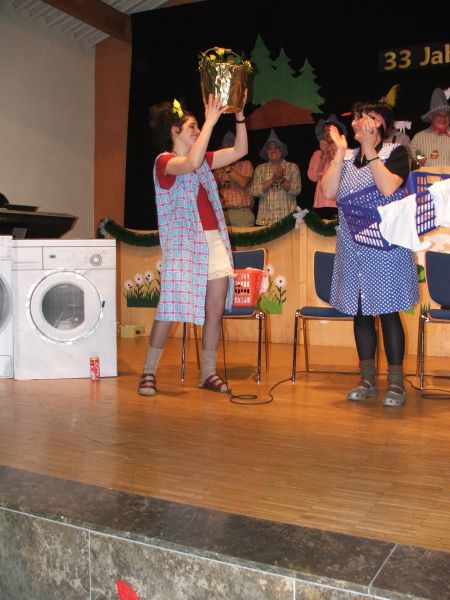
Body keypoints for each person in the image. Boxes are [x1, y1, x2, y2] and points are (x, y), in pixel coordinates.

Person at [138, 93, 248, 397]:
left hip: (213, 242)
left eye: (199, 126)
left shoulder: (201, 161)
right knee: (169, 308)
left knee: (215, 310)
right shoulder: (165, 162)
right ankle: (148, 372)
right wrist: (211, 121)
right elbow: (190, 161)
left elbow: (240, 150)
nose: (198, 131)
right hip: (184, 247)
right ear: (175, 131)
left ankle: (208, 373)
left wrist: (239, 114)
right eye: (192, 127)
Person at [320, 101, 418, 407]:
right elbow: (327, 191)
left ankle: (396, 383)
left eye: (368, 118)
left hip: (385, 249)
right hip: (352, 249)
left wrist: (369, 150)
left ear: (381, 126)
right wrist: (340, 152)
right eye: (358, 117)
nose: (360, 122)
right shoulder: (346, 157)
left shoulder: (395, 153)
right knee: (361, 312)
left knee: (388, 312)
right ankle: (366, 379)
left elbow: (388, 188)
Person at [252, 129, 301, 225]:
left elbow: (297, 190)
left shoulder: (292, 167)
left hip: (288, 219)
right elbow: (255, 191)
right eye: (270, 148)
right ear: (266, 152)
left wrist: (282, 180)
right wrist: (272, 180)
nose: (273, 150)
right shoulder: (260, 169)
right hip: (266, 220)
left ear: (281, 150)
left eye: (276, 147)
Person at [307, 114, 347, 219]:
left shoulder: (345, 152)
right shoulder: (317, 154)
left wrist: (335, 152)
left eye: (330, 130)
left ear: (338, 133)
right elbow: (313, 177)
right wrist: (323, 156)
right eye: (325, 130)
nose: (327, 133)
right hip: (321, 203)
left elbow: (346, 174)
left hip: (340, 202)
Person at [213, 131, 254, 227]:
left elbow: (243, 183)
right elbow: (213, 187)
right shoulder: (219, 169)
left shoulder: (245, 164)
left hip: (241, 213)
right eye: (224, 150)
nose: (227, 153)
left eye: (230, 149)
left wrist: (227, 168)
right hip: (222, 214)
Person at [410, 88, 450, 168]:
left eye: (446, 115)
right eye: (439, 115)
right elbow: (411, 165)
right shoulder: (418, 139)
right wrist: (418, 162)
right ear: (431, 117)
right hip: (427, 176)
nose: (443, 118)